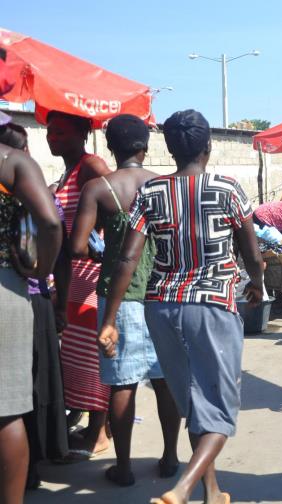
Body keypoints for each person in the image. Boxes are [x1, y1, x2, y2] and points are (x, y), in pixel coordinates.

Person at [98, 109, 264, 504]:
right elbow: (252, 251)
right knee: (220, 410)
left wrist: (110, 320)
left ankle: (212, 491)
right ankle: (182, 488)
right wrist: (256, 283)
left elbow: (126, 258)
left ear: (169, 149)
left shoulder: (151, 193)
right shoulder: (227, 188)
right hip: (212, 306)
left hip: (161, 307)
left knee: (194, 402)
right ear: (208, 146)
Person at [70, 114, 181, 487]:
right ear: (145, 148)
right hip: (165, 295)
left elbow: (77, 245)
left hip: (120, 300)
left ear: (111, 147)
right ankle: (169, 457)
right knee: (165, 381)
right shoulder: (166, 185)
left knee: (123, 384)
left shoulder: (99, 189)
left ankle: (124, 467)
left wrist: (102, 253)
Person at [0, 112, 63, 503]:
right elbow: (51, 223)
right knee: (6, 410)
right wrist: (42, 268)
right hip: (5, 287)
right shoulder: (13, 161)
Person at [46, 110, 113, 458]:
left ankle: (98, 433)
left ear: (80, 134)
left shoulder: (92, 167)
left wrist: (96, 246)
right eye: (50, 132)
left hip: (89, 279)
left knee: (91, 359)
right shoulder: (69, 173)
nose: (52, 138)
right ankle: (92, 424)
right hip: (72, 280)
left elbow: (117, 206)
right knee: (76, 358)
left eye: (59, 133)